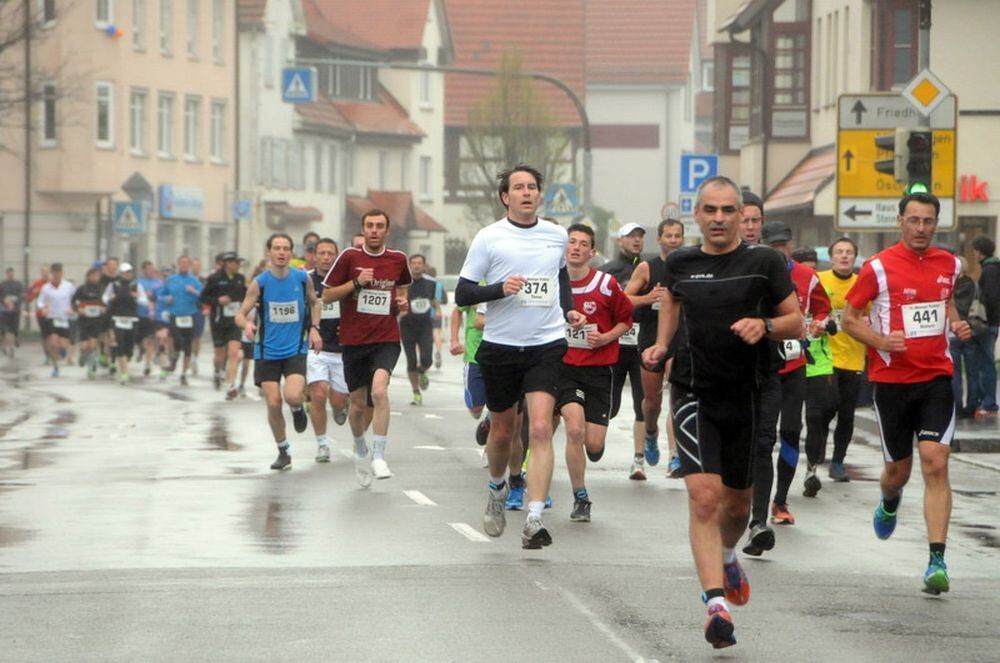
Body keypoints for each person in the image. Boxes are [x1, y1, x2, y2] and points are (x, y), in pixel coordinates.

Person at [642, 176, 802, 649]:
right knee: (705, 498)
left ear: (740, 215)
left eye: (727, 211)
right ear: (697, 214)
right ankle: (716, 606)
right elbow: (671, 298)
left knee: (736, 504)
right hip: (694, 389)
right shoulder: (682, 262)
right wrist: (662, 344)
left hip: (748, 392)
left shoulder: (765, 262)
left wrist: (765, 324)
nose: (718, 219)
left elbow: (795, 318)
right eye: (709, 210)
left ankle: (729, 554)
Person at [841, 191, 971, 596]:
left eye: (928, 221)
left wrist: (958, 322)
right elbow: (849, 319)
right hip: (892, 383)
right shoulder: (877, 268)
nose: (921, 228)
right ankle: (889, 499)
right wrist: (881, 339)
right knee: (898, 472)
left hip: (936, 379)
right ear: (900, 221)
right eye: (913, 220)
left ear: (937, 223)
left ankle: (936, 559)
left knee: (935, 461)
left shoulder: (951, 264)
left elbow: (945, 301)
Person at [455, 164, 586, 550]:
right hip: (500, 346)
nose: (527, 193)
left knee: (541, 428)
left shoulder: (556, 235)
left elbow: (559, 277)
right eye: (519, 188)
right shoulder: (489, 237)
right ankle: (497, 487)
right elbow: (463, 293)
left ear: (540, 195)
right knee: (503, 432)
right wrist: (498, 289)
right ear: (505, 197)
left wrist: (569, 309)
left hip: (546, 344)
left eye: (532, 187)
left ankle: (533, 518)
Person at [749, 221, 831, 535]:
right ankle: (755, 501)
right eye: (773, 244)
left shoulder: (808, 277)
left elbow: (823, 310)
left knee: (792, 432)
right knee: (762, 437)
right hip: (762, 367)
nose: (779, 249)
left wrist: (818, 324)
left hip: (795, 366)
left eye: (783, 244)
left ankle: (780, 501)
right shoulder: (754, 272)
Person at [322, 209, 412, 484]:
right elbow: (327, 296)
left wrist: (402, 304)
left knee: (379, 392)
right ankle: (359, 444)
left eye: (379, 226)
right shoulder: (349, 257)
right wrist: (355, 283)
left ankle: (379, 456)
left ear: (387, 231)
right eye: (369, 226)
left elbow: (403, 292)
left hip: (386, 338)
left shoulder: (398, 259)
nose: (374, 230)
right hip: (353, 340)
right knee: (358, 405)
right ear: (363, 230)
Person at [558, 223, 633, 522]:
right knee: (574, 430)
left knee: (594, 444)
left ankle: (593, 449)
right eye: (571, 242)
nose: (575, 247)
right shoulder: (554, 282)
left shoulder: (605, 284)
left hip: (600, 369)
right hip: (565, 368)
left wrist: (605, 337)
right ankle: (581, 496)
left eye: (582, 243)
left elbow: (626, 320)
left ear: (592, 251)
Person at [237, 233, 322, 470]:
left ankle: (296, 409)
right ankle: (283, 450)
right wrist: (247, 325)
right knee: (273, 403)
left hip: (295, 349)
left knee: (293, 396)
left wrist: (314, 328)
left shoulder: (302, 279)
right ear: (269, 252)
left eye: (286, 248)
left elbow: (315, 303)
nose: (282, 253)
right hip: (266, 352)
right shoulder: (260, 283)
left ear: (291, 253)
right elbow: (240, 314)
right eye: (277, 248)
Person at [625, 218, 685, 478]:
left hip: (679, 339)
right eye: (668, 236)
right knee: (653, 401)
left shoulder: (688, 267)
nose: (673, 240)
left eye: (677, 236)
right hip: (650, 339)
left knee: (676, 397)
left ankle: (675, 456)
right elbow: (624, 299)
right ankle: (650, 432)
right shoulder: (647, 268)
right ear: (659, 239)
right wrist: (648, 298)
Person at [599, 222, 656, 478]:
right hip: (615, 344)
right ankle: (592, 440)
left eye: (640, 237)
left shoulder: (649, 269)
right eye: (631, 236)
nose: (636, 241)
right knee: (610, 405)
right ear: (619, 240)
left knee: (642, 403)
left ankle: (638, 459)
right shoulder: (607, 271)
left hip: (641, 344)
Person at [817, 238, 868, 480]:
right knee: (826, 407)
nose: (844, 256)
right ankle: (818, 452)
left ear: (855, 257)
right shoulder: (820, 280)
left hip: (854, 356)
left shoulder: (863, 283)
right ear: (831, 257)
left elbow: (872, 315)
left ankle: (838, 462)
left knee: (847, 413)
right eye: (839, 252)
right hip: (827, 355)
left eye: (849, 252)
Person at [306, 238, 350, 462]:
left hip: (342, 349)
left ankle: (341, 406)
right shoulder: (307, 280)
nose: (325, 257)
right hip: (317, 348)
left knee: (338, 400)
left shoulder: (344, 278)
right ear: (314, 256)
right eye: (321, 253)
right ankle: (322, 444)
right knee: (318, 393)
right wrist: (310, 330)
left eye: (330, 253)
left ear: (336, 255)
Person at [202, 252, 248, 398]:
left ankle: (230, 385)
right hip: (218, 321)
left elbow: (245, 296)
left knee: (234, 353)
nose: (239, 265)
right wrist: (218, 301)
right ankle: (217, 371)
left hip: (235, 321)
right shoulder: (214, 278)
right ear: (228, 263)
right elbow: (203, 297)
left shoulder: (240, 279)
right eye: (236, 262)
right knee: (220, 355)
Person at [400, 254, 440, 405]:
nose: (416, 266)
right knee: (411, 361)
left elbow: (433, 300)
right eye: (414, 263)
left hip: (424, 325)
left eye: (419, 263)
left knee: (427, 359)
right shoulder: (403, 283)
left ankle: (422, 370)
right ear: (409, 265)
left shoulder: (430, 283)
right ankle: (416, 393)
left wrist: (437, 310)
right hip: (407, 325)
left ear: (424, 266)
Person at [450, 303, 491, 449]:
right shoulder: (474, 283)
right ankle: (488, 418)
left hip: (500, 352)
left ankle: (491, 421)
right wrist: (454, 340)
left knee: (501, 406)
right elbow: (457, 311)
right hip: (474, 353)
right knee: (476, 409)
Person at [159, 256, 204, 386]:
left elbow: (203, 295)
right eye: (182, 263)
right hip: (175, 314)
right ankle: (174, 358)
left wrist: (194, 291)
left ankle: (184, 374)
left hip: (190, 315)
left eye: (186, 263)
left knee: (188, 346)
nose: (184, 265)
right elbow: (160, 295)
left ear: (189, 265)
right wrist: (166, 299)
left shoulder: (194, 281)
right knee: (177, 340)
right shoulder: (171, 280)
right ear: (178, 264)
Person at [103, 263, 148, 385]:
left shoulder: (136, 286)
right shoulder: (113, 285)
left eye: (129, 272)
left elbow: (144, 301)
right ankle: (124, 374)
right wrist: (110, 299)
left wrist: (137, 297)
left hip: (132, 319)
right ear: (120, 274)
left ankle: (125, 362)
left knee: (129, 350)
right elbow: (104, 298)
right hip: (117, 318)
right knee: (119, 345)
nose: (127, 274)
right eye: (124, 272)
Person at [970, 235, 1000, 418]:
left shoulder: (989, 270)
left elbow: (990, 296)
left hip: (986, 323)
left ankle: (989, 403)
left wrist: (987, 320)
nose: (973, 254)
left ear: (980, 251)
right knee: (985, 361)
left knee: (986, 363)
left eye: (974, 250)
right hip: (993, 322)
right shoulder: (995, 267)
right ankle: (986, 401)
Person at [949, 257, 980, 418]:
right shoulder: (973, 285)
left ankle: (958, 406)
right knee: (972, 372)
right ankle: (972, 405)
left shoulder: (949, 285)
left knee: (955, 373)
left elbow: (953, 306)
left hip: (954, 331)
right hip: (970, 331)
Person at [36, 263, 77, 377]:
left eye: (59, 272)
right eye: (54, 273)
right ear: (51, 273)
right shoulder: (46, 288)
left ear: (62, 273)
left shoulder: (68, 286)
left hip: (65, 318)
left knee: (63, 344)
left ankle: (62, 352)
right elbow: (40, 301)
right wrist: (43, 308)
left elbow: (76, 300)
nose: (56, 275)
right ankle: (55, 366)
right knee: (52, 342)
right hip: (52, 317)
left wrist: (73, 308)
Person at [71, 268, 107, 378]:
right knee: (84, 345)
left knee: (92, 345)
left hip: (96, 320)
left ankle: (91, 368)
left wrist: (104, 309)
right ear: (88, 276)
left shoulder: (102, 289)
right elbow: (73, 302)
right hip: (84, 320)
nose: (95, 278)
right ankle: (83, 354)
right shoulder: (82, 289)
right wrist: (78, 309)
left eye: (97, 276)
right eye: (93, 275)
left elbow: (108, 303)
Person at [136, 262, 163, 377]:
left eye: (152, 268)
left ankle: (147, 365)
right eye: (148, 269)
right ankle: (140, 348)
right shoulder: (137, 282)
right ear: (143, 270)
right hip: (139, 314)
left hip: (152, 316)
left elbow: (162, 296)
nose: (151, 271)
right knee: (137, 338)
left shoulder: (158, 283)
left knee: (150, 339)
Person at [0, 267, 24, 359]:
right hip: (5, 311)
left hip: (15, 310)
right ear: (6, 274)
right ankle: (9, 348)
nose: (10, 274)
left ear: (13, 273)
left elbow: (22, 295)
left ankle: (14, 341)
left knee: (14, 328)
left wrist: (16, 300)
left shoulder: (18, 284)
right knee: (6, 329)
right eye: (9, 273)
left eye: (12, 273)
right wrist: (4, 301)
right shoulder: (2, 284)